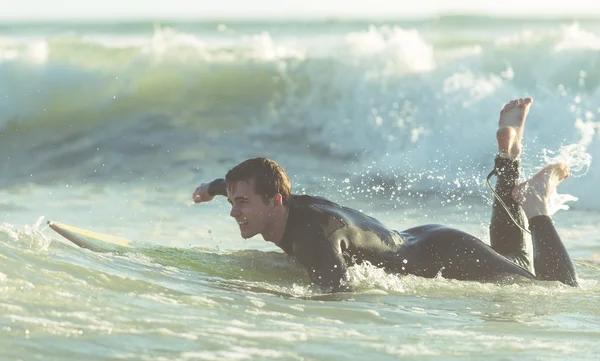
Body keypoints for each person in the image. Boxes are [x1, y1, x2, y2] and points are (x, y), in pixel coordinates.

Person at [193, 98, 578, 291]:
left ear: (274, 200)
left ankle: (538, 205)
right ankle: (509, 160)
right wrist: (213, 189)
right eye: (231, 201)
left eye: (241, 203)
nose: (234, 212)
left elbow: (336, 292)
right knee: (513, 258)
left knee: (555, 289)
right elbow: (242, 189)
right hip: (426, 239)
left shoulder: (309, 234)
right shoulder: (290, 206)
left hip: (441, 253)